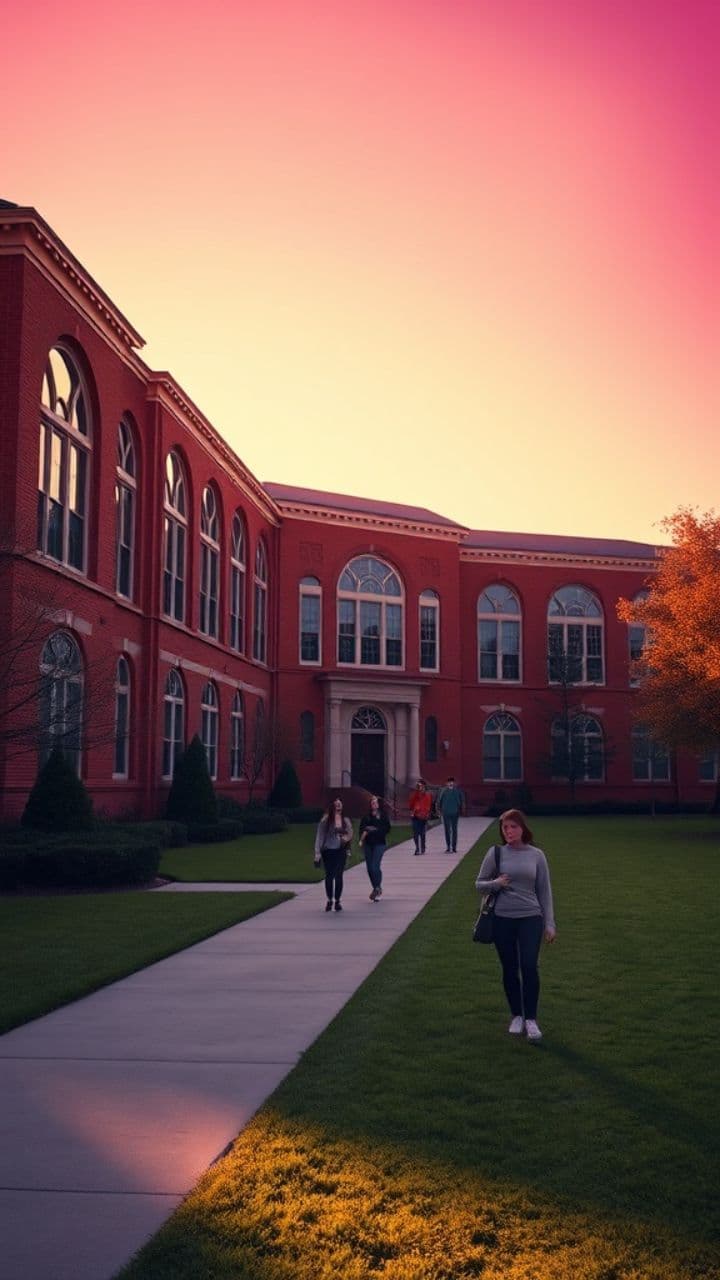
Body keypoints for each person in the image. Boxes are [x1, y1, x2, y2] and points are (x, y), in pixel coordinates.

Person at [475, 808, 556, 1042]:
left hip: (531, 917)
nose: (509, 831)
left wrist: (549, 923)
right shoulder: (496, 853)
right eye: (505, 827)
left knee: (529, 965)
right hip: (502, 918)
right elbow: (479, 884)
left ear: (523, 828)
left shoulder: (537, 855)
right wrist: (496, 883)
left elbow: (545, 891)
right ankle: (516, 1015)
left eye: (513, 827)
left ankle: (531, 1019)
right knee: (509, 968)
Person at [314, 798, 353, 912]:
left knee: (339, 876)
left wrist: (345, 839)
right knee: (329, 876)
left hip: (340, 851)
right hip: (328, 851)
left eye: (340, 803)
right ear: (332, 806)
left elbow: (350, 833)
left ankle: (337, 901)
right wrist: (317, 853)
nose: (338, 805)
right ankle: (329, 900)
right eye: (336, 804)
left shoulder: (345, 820)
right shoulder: (325, 820)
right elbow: (319, 836)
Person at [359, 795, 391, 901]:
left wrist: (374, 830)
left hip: (379, 844)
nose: (373, 804)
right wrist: (362, 839)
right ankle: (376, 888)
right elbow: (362, 830)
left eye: (375, 802)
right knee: (369, 869)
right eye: (372, 802)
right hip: (368, 845)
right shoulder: (366, 817)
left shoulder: (383, 816)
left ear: (378, 805)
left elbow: (386, 829)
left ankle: (377, 888)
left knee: (374, 867)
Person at [436, 776, 464, 852]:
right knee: (447, 830)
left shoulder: (457, 791)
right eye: (449, 782)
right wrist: (438, 810)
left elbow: (462, 801)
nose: (451, 783)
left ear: (454, 783)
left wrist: (461, 810)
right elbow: (439, 801)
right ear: (446, 783)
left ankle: (454, 847)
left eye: (452, 782)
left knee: (454, 830)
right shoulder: (443, 791)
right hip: (446, 813)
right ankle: (448, 846)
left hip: (455, 813)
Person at [407, 778, 432, 854]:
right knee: (415, 833)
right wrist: (416, 793)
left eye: (420, 785)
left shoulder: (427, 795)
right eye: (418, 785)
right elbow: (410, 805)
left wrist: (425, 813)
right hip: (415, 816)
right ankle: (417, 848)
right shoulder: (414, 794)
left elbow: (428, 806)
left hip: (423, 817)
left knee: (422, 833)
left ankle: (423, 847)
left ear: (424, 786)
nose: (419, 787)